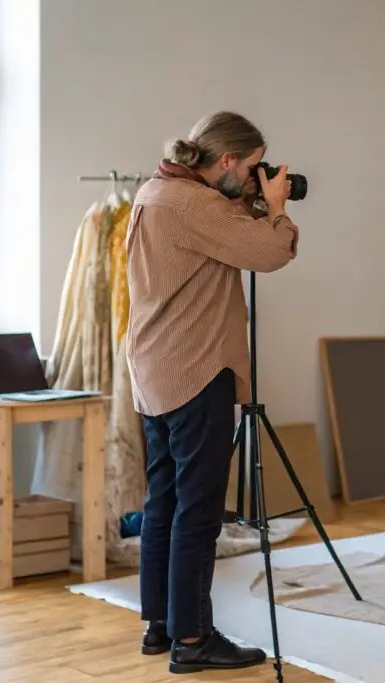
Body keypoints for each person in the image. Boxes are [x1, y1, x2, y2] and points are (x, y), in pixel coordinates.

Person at [125, 111, 299, 674]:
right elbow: (269, 253)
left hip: (155, 368)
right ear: (226, 160)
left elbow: (226, 228)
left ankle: (161, 624)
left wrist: (249, 202)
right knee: (198, 511)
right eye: (250, 167)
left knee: (164, 502)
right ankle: (195, 641)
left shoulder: (158, 190)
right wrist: (275, 210)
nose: (254, 176)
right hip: (195, 369)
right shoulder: (192, 204)